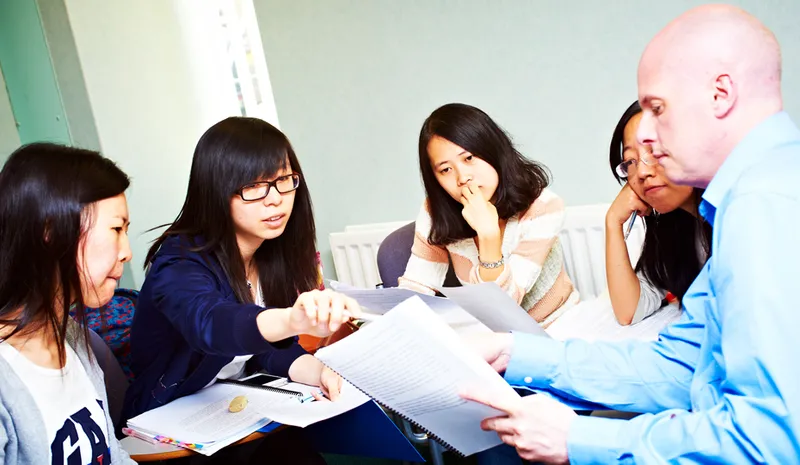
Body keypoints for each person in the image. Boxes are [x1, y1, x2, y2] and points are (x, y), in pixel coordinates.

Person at [461, 5, 800, 463]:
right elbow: (678, 367)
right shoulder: (754, 196)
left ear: (721, 94)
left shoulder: (765, 205)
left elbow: (769, 440)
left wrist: (576, 441)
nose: (649, 142)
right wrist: (514, 351)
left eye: (657, 111)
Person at [123, 117, 360, 463]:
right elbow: (212, 325)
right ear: (216, 192)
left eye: (283, 181)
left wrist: (319, 372)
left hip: (237, 415)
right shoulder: (178, 261)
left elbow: (269, 352)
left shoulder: (269, 251)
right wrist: (292, 320)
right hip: (171, 433)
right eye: (254, 186)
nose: (275, 200)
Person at [0, 143, 135, 464]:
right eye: (116, 228)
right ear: (50, 230)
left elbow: (111, 454)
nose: (126, 251)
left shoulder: (75, 339)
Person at [399, 103, 578, 326]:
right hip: (491, 333)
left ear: (492, 150)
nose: (462, 177)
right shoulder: (435, 211)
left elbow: (505, 308)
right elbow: (417, 284)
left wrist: (488, 237)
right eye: (446, 169)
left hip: (556, 324)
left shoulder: (543, 207)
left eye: (469, 158)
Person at [605, 101, 711, 325]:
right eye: (630, 161)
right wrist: (612, 222)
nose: (642, 172)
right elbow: (629, 311)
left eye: (654, 151)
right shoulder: (675, 227)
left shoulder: (738, 213)